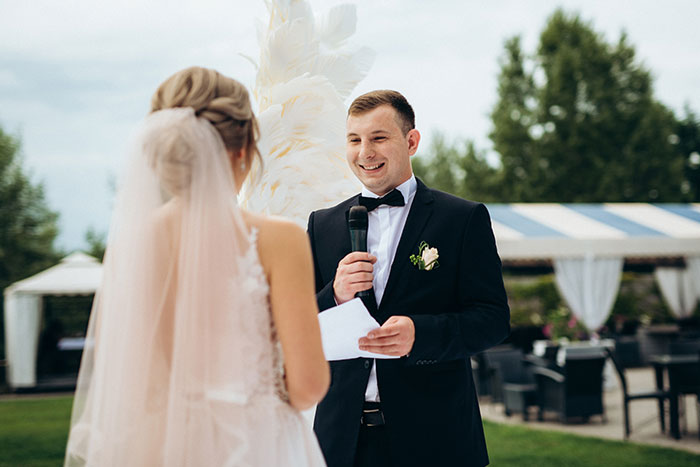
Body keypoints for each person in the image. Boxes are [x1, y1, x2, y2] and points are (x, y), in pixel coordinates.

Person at [64, 66, 329, 466]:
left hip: (159, 449)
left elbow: (122, 376)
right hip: (260, 448)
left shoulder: (130, 247)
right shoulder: (279, 240)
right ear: (243, 147)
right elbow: (308, 386)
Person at [307, 90, 510, 467]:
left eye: (379, 138)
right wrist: (333, 294)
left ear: (411, 141)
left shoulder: (461, 219)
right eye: (355, 140)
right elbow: (294, 323)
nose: (365, 152)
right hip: (341, 443)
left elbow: (493, 320)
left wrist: (421, 335)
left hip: (435, 439)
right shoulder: (323, 225)